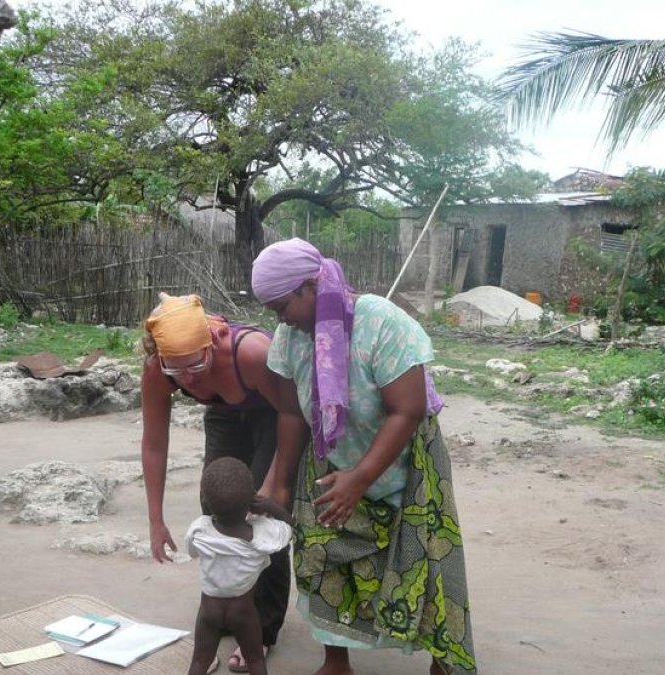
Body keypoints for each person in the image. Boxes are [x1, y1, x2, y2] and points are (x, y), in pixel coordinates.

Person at [252, 238, 477, 675]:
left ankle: (444, 658)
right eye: (272, 310)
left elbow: (406, 409)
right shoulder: (290, 337)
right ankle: (337, 661)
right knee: (322, 552)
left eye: (282, 306)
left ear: (311, 286)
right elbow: (290, 412)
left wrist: (362, 477)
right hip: (331, 453)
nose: (279, 319)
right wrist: (277, 481)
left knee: (427, 558)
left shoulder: (382, 322)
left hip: (406, 460)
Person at [140, 293, 289, 673]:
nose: (188, 378)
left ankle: (262, 630)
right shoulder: (159, 369)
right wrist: (155, 521)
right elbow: (155, 444)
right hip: (224, 413)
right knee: (217, 508)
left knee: (258, 517)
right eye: (178, 370)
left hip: (273, 414)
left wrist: (276, 486)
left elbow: (293, 413)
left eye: (196, 365)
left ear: (212, 341)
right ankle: (230, 606)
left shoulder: (251, 352)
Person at [185, 457, 292, 675]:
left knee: (199, 662)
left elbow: (192, 550)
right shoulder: (262, 535)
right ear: (252, 498)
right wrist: (271, 506)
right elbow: (289, 527)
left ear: (205, 500)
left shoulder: (199, 530)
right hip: (243, 613)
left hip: (209, 612)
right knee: (255, 661)